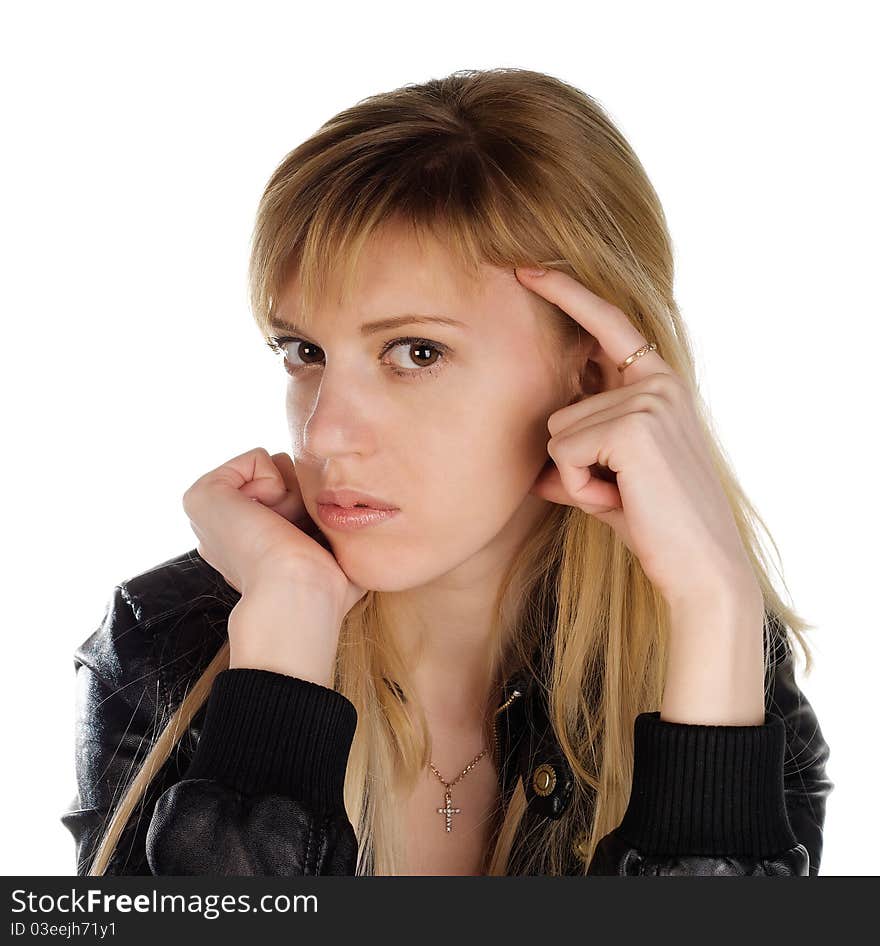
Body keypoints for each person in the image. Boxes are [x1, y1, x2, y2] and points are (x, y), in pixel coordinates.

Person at [61, 67, 833, 877]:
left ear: (595, 375)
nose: (325, 435)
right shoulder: (171, 645)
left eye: (416, 352)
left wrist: (714, 604)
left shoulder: (723, 661)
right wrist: (283, 657)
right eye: (305, 352)